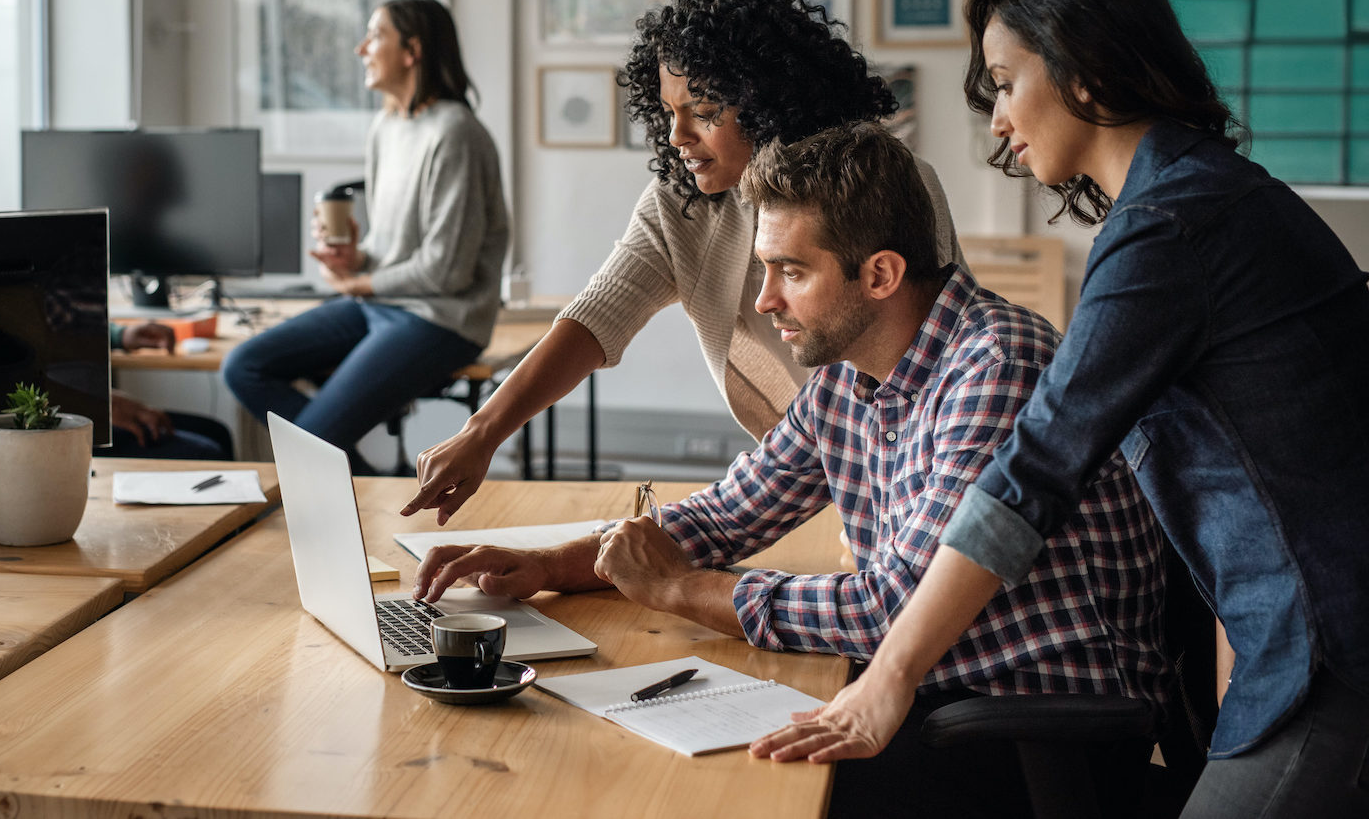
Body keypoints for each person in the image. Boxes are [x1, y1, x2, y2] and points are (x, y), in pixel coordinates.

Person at [759, 0, 1369, 818]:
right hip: (1300, 642)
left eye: (1006, 82)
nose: (999, 121)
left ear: (1084, 66)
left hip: (1332, 648)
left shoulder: (1172, 228)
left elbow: (1034, 471)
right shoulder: (1194, 201)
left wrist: (891, 675)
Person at [414, 123, 1168, 818]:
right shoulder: (851, 371)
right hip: (927, 696)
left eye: (790, 272)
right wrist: (550, 565)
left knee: (684, 794)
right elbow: (723, 515)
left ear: (879, 274)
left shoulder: (994, 368)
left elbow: (890, 609)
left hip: (1024, 732)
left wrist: (681, 589)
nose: (764, 299)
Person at [403, 0, 962, 524]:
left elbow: (928, 359)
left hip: (913, 464)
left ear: (769, 100)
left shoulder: (880, 185)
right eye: (669, 112)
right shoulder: (683, 201)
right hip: (800, 469)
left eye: (703, 110)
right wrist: (481, 434)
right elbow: (596, 317)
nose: (676, 135)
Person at [222, 0, 508, 475]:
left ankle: (351, 489)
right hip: (382, 306)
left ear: (412, 50)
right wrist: (356, 258)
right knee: (243, 366)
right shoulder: (386, 127)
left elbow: (447, 269)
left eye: (375, 35)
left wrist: (358, 284)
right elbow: (392, 250)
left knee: (311, 441)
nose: (361, 48)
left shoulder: (456, 133)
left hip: (441, 320)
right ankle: (365, 487)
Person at [0, 113, 226, 460]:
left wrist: (120, 337)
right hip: (18, 434)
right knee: (207, 450)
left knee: (215, 432)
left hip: (50, 408)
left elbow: (30, 331)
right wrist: (92, 407)